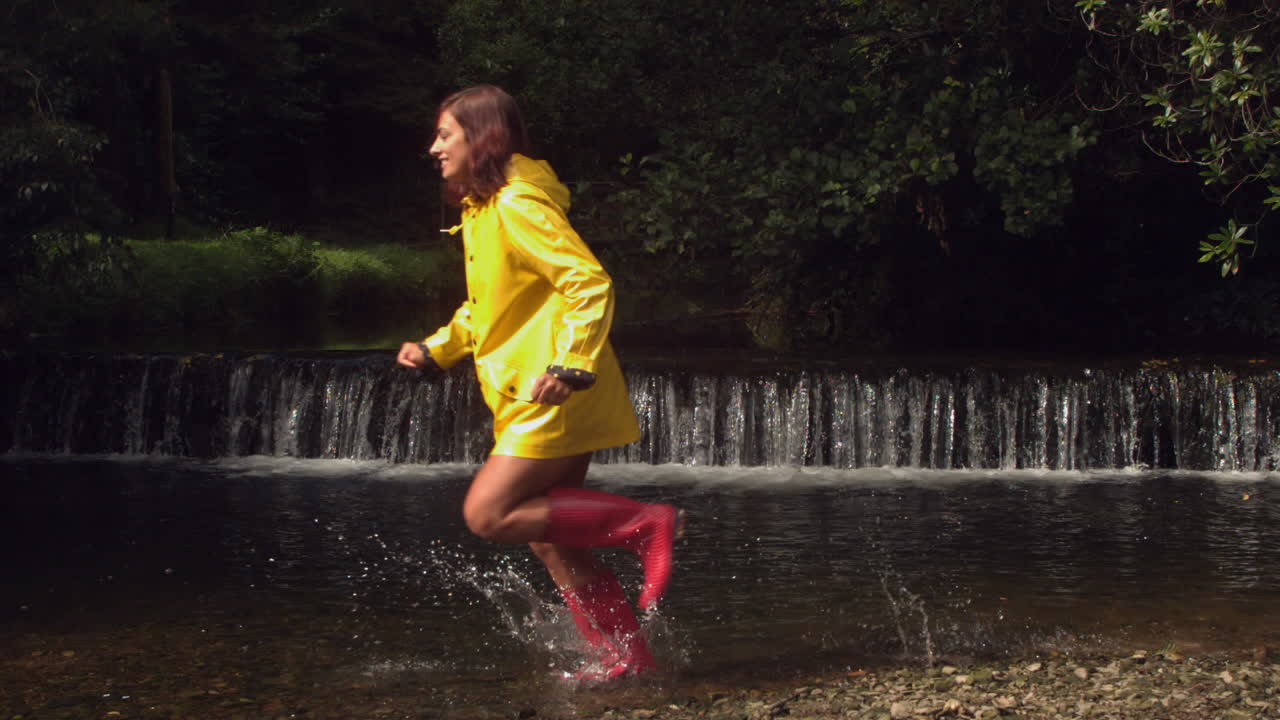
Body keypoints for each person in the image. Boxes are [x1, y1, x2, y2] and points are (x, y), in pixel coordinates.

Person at [396, 84, 682, 681]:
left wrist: (569, 364)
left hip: (552, 389)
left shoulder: (516, 205)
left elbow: (589, 282)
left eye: (445, 134)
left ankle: (644, 523)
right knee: (555, 543)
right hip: (532, 387)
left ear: (481, 139)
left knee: (489, 513)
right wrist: (436, 350)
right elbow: (489, 308)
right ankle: (627, 663)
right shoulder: (484, 208)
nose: (433, 147)